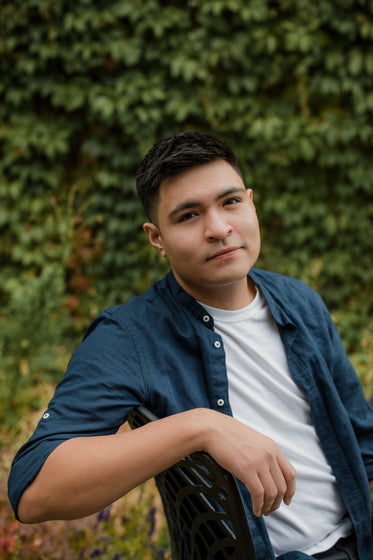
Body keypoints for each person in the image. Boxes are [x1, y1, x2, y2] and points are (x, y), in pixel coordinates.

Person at [8, 132, 373, 559]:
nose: (219, 229)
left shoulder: (299, 300)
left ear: (251, 203)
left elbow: (363, 444)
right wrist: (199, 427)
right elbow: (34, 492)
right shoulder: (131, 337)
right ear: (156, 237)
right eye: (187, 216)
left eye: (231, 202)